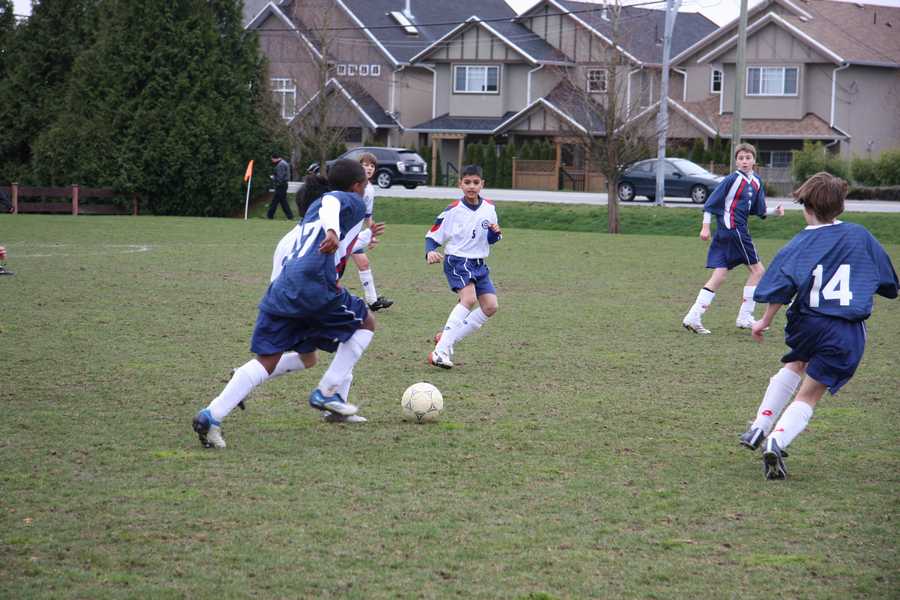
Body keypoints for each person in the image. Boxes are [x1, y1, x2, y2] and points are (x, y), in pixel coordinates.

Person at [193, 159, 376, 448]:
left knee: (270, 361)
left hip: (282, 291)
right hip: (313, 286)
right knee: (365, 323)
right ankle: (327, 393)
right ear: (356, 186)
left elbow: (334, 225)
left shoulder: (311, 214)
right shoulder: (348, 200)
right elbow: (332, 203)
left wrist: (354, 235)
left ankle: (211, 415)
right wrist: (332, 231)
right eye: (365, 184)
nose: (366, 189)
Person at [738, 172, 897, 480]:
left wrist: (764, 321)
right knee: (809, 394)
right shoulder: (860, 235)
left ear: (807, 206)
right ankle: (776, 440)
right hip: (845, 330)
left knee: (795, 362)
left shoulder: (802, 241)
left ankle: (760, 425)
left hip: (806, 321)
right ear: (841, 206)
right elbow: (888, 282)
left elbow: (781, 285)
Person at [682, 143, 784, 334]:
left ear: (754, 160)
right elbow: (710, 204)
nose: (744, 161)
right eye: (740, 158)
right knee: (758, 271)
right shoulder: (732, 179)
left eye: (748, 158)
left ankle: (693, 317)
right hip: (734, 231)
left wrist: (774, 212)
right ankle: (745, 317)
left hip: (728, 233)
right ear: (736, 161)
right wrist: (705, 227)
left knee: (719, 276)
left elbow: (759, 210)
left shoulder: (756, 182)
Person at [425, 164, 502, 369]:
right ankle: (440, 352)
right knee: (469, 299)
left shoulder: (489, 208)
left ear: (482, 184)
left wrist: (494, 234)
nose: (471, 186)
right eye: (467, 182)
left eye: (475, 182)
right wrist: (430, 251)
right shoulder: (452, 210)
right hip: (458, 260)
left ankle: (446, 338)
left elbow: (492, 238)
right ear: (460, 184)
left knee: (490, 306)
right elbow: (432, 236)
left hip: (479, 263)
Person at [350, 152, 393, 311]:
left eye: (372, 166)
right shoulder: (352, 185)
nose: (369, 168)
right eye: (365, 165)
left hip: (353, 234)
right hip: (342, 234)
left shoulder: (370, 189)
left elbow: (368, 216)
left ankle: (372, 301)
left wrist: (372, 234)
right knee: (332, 268)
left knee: (364, 263)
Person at [266, 152, 294, 220]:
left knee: (275, 201)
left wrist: (273, 177)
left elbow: (280, 177)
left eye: (272, 159)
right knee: (283, 202)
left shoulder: (280, 165)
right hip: (283, 185)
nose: (272, 161)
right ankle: (290, 216)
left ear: (275, 158)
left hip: (281, 185)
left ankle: (270, 216)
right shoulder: (284, 163)